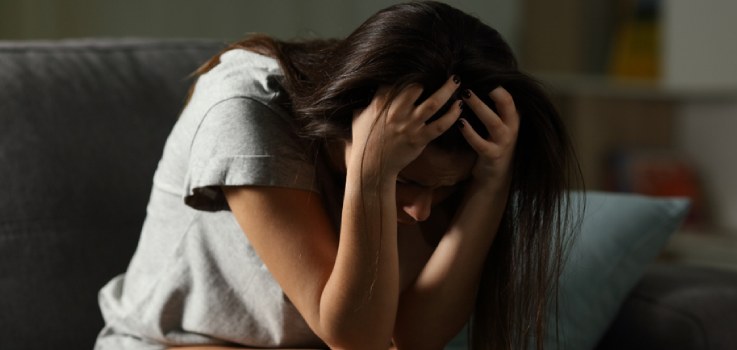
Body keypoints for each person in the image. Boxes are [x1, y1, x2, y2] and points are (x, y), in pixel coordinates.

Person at [95, 1, 581, 349]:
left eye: (446, 188)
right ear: (346, 124)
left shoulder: (434, 154)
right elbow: (357, 340)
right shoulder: (244, 108)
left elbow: (413, 336)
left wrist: (491, 185)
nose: (422, 211)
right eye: (410, 182)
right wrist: (374, 173)